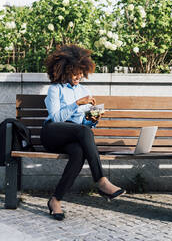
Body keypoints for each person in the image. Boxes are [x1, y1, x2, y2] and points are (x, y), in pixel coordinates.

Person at [41, 44, 125, 221]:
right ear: (64, 70)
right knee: (81, 132)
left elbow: (85, 127)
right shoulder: (55, 89)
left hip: (76, 135)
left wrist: (93, 118)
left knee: (79, 153)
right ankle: (101, 181)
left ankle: (55, 200)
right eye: (74, 72)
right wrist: (77, 104)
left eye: (81, 72)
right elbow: (56, 118)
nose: (79, 76)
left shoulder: (84, 90)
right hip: (53, 133)